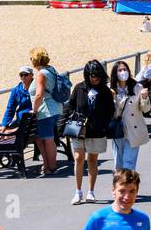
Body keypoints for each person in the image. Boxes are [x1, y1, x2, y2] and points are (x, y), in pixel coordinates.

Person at [65, 59, 113, 204]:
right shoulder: (79, 88)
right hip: (79, 129)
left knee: (92, 160)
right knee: (79, 158)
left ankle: (91, 191)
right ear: (87, 75)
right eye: (92, 75)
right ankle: (78, 191)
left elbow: (110, 110)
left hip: (96, 130)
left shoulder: (105, 91)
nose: (95, 78)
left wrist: (103, 124)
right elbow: (71, 105)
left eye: (98, 75)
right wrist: (73, 120)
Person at [28, 47, 64, 175]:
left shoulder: (41, 73)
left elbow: (39, 94)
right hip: (56, 108)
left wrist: (34, 110)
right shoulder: (51, 69)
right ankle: (48, 165)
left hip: (45, 110)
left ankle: (51, 167)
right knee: (43, 139)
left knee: (48, 139)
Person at [109, 60, 150, 171]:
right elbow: (109, 112)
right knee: (119, 162)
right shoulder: (110, 89)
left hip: (134, 129)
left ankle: (127, 184)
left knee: (129, 162)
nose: (123, 72)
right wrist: (112, 99)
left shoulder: (137, 87)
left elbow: (145, 109)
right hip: (118, 130)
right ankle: (119, 185)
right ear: (115, 73)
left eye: (125, 69)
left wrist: (145, 98)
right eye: (120, 70)